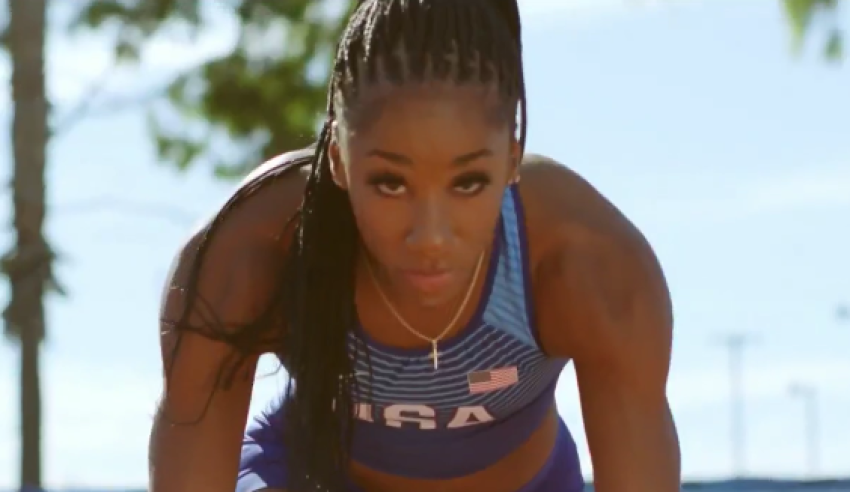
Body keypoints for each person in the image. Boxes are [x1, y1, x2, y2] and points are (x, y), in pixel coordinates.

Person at [150, 1, 681, 491]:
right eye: (390, 182)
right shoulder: (254, 249)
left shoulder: (589, 267)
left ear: (511, 158)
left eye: (468, 182)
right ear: (337, 157)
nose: (429, 236)